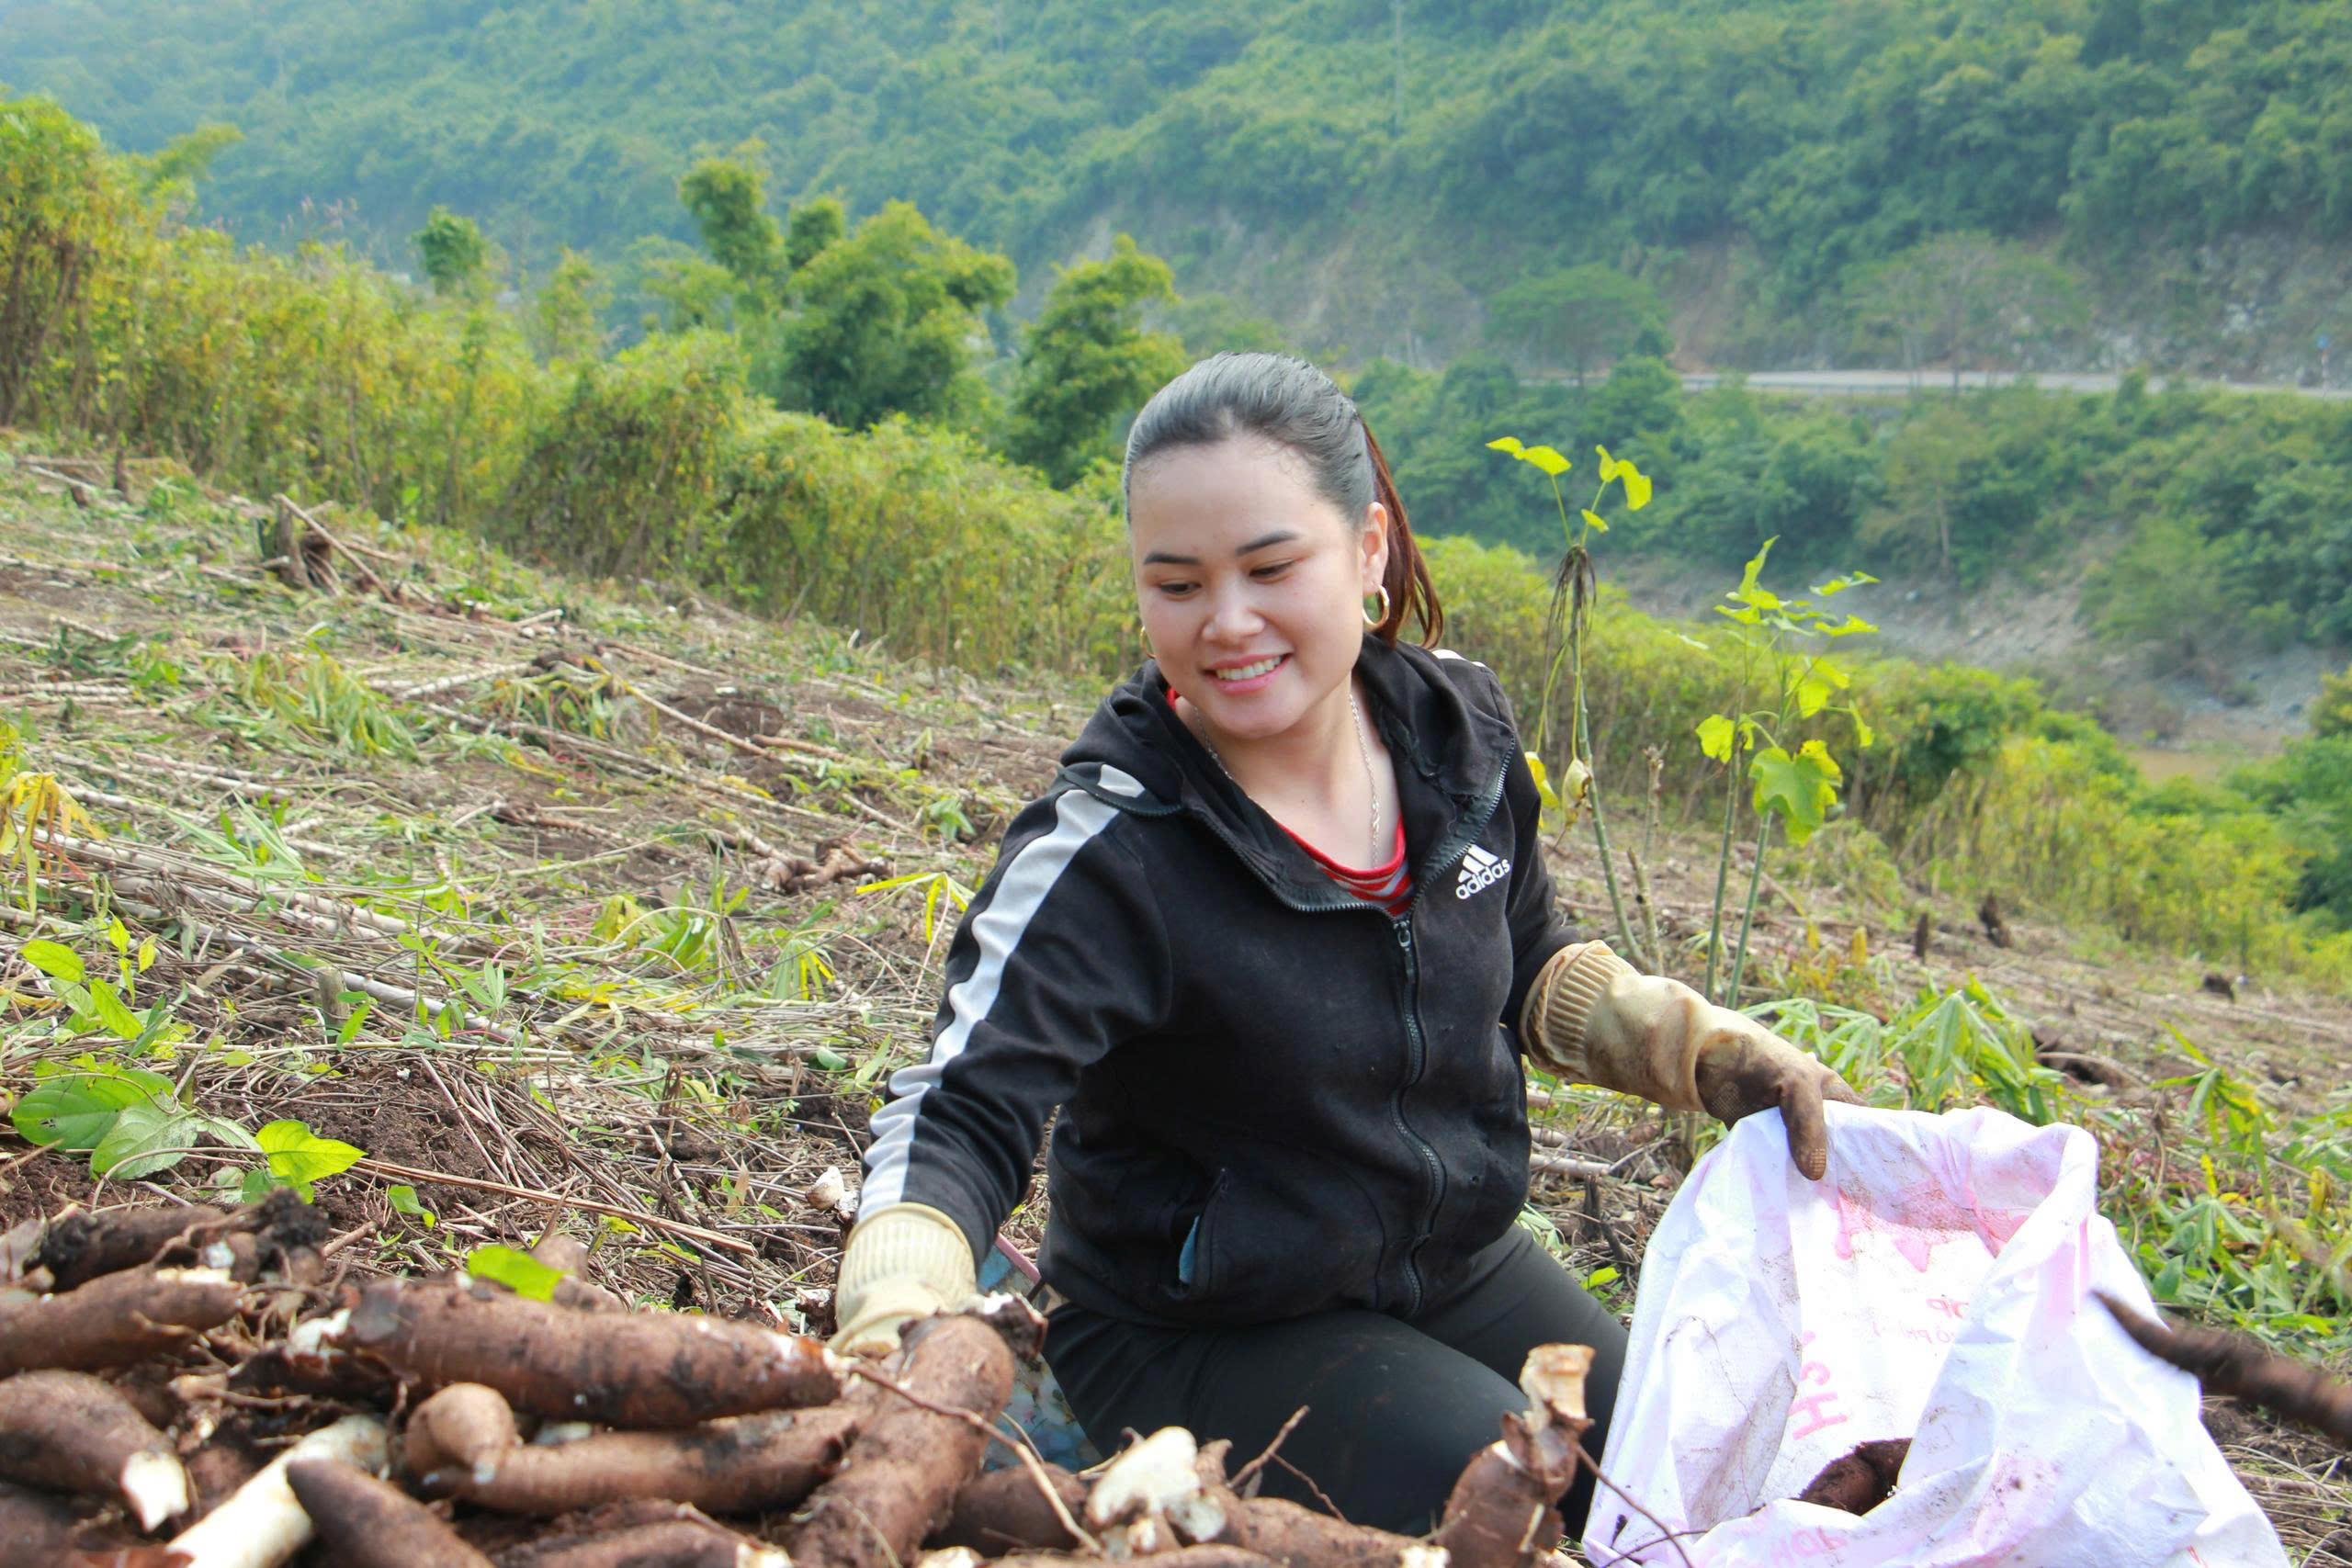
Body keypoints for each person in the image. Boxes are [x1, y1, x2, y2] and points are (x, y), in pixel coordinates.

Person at [830, 353, 1857, 1537]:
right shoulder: (1114, 848)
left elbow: (1522, 948)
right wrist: (897, 1315)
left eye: (1272, 568)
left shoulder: (1458, 733)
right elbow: (960, 1108)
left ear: (1366, 550)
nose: (1227, 622)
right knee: (1520, 1511)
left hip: (1454, 1266)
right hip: (1207, 1328)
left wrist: (1699, 1048)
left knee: (1691, 1469)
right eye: (1177, 584)